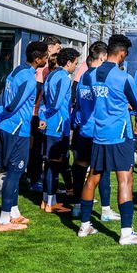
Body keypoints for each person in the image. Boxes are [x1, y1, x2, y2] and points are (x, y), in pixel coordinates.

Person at [76, 33, 137, 245]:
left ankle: (84, 226)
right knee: (125, 179)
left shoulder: (90, 75)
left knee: (93, 177)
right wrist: (126, 105)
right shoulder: (123, 77)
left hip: (99, 133)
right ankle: (126, 234)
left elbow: (94, 96)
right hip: (119, 134)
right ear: (121, 53)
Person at [0, 41, 49, 232]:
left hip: (9, 128)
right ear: (37, 59)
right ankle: (4, 220)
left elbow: (2, 99)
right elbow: (12, 104)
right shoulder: (30, 79)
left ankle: (14, 212)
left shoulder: (15, 71)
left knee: (14, 172)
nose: (47, 60)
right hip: (17, 130)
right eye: (45, 57)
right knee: (14, 174)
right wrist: (5, 118)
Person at [71, 41, 117, 221]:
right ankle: (105, 210)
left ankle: (76, 206)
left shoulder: (83, 76)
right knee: (103, 171)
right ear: (104, 57)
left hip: (83, 130)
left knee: (80, 168)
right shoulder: (100, 78)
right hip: (98, 131)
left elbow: (79, 103)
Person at [39, 47, 80, 213]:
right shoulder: (63, 77)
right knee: (55, 164)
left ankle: (45, 200)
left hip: (50, 124)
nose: (76, 67)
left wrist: (43, 117)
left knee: (50, 163)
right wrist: (49, 115)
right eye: (75, 64)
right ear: (68, 62)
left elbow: (43, 100)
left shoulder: (50, 75)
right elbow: (55, 104)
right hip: (57, 125)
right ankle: (51, 203)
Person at [28, 36, 62, 192]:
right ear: (50, 48)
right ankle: (33, 179)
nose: (58, 52)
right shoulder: (41, 71)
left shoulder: (48, 69)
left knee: (39, 150)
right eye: (57, 48)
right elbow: (37, 94)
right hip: (35, 114)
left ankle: (37, 177)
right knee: (35, 150)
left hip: (40, 114)